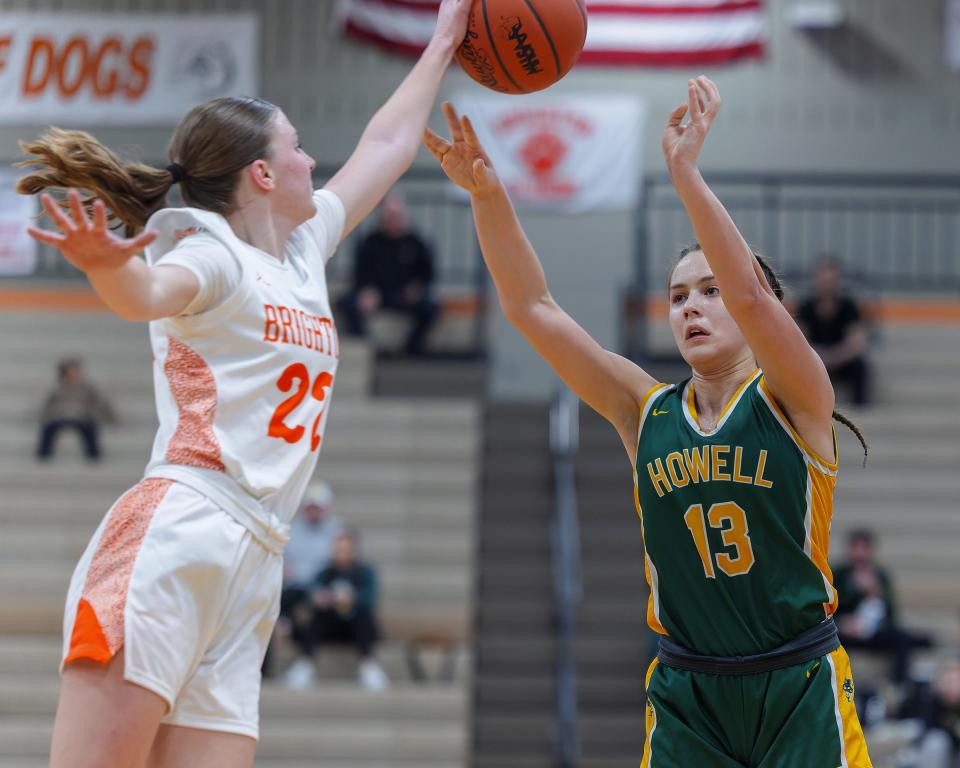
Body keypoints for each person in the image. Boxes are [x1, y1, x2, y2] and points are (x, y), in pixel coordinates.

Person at [15, 2, 469, 766]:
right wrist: (107, 267)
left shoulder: (304, 248)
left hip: (258, 561)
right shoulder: (212, 252)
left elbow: (388, 142)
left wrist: (446, 41)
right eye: (298, 148)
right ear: (262, 173)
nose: (313, 162)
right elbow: (146, 298)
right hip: (178, 536)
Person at [425, 78, 872, 766]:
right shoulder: (647, 408)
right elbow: (531, 308)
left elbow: (753, 296)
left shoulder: (796, 396)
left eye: (709, 291)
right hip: (688, 692)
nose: (692, 306)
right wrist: (488, 198)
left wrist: (683, 172)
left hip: (799, 682)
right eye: (678, 296)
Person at [337, 190, 439, 356]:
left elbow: (427, 274)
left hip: (404, 296)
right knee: (346, 303)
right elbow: (359, 273)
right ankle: (365, 346)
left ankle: (411, 350)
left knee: (431, 308)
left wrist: (416, 288)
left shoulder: (416, 242)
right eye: (389, 216)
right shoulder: (370, 242)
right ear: (382, 218)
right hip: (377, 295)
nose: (393, 220)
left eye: (396, 216)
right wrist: (366, 290)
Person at [283, 529, 387, 691]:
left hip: (355, 628)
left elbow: (371, 597)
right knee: (316, 616)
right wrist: (321, 598)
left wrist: (352, 599)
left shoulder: (364, 572)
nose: (342, 554)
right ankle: (305, 664)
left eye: (346, 550)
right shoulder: (325, 572)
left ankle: (368, 665)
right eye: (339, 550)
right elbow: (312, 591)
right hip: (330, 627)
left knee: (364, 616)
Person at [834, 528, 933, 684]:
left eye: (864, 548)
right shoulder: (838, 574)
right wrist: (843, 622)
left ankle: (899, 686)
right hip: (845, 633)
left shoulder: (880, 575)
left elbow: (891, 615)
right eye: (856, 548)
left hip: (873, 633)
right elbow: (829, 609)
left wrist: (874, 593)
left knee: (902, 639)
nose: (859, 554)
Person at [264, 480, 342, 677]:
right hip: (294, 587)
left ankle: (290, 635)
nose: (314, 512)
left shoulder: (337, 530)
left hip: (323, 586)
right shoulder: (291, 528)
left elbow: (339, 562)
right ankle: (283, 625)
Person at [797, 256, 871, 406]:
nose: (827, 285)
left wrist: (834, 357)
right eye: (824, 281)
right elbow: (799, 341)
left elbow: (857, 343)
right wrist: (819, 357)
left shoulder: (849, 306)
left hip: (841, 360)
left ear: (838, 281)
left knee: (860, 367)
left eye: (831, 281)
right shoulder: (806, 306)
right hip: (815, 360)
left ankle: (861, 410)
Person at [36, 357, 116, 462]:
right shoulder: (57, 389)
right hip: (61, 417)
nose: (75, 374)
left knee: (90, 429)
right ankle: (43, 456)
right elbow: (47, 406)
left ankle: (94, 456)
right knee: (49, 428)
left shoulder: (88, 388)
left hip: (82, 417)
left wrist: (110, 418)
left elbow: (101, 404)